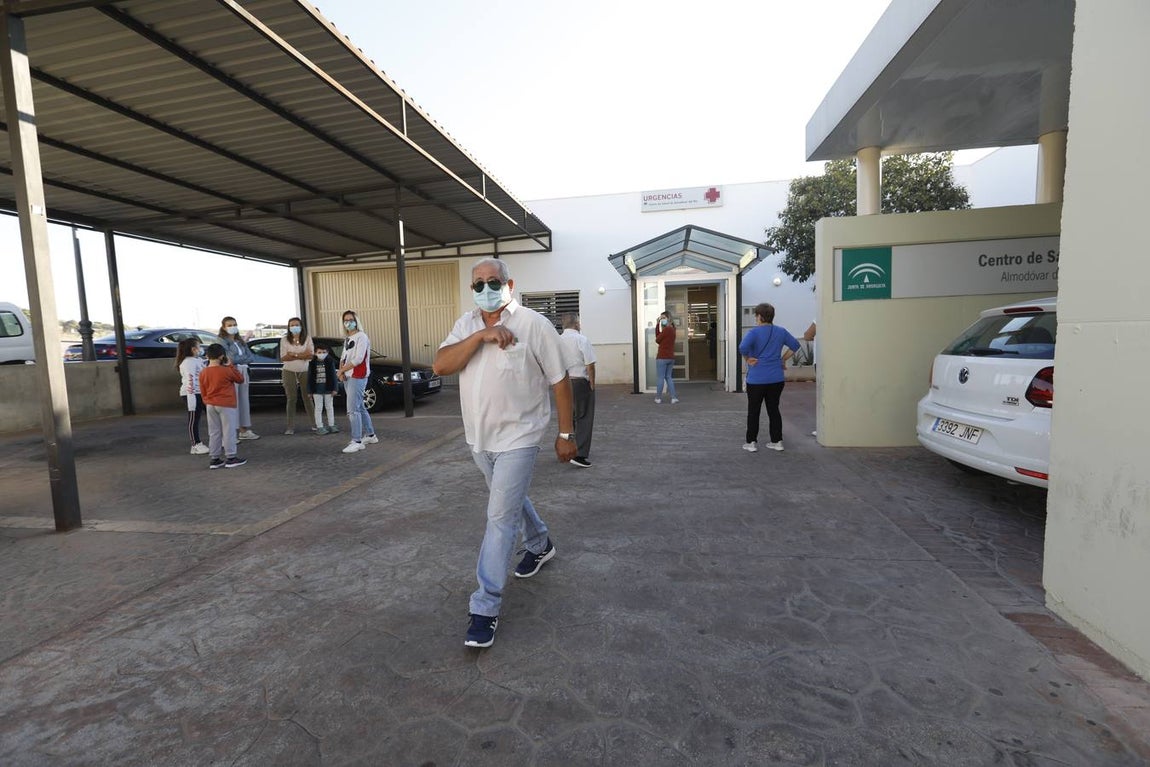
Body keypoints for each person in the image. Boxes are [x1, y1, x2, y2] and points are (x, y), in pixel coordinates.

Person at [433, 257, 575, 649]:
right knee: (508, 502)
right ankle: (540, 543)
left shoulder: (533, 324)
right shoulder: (466, 325)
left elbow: (560, 382)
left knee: (498, 517)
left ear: (510, 284)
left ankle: (485, 606)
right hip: (479, 438)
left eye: (492, 281)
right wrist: (481, 337)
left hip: (520, 437)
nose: (485, 289)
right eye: (477, 284)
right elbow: (442, 364)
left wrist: (565, 433)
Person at [738, 303, 800, 453]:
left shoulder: (753, 333)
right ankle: (777, 441)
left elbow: (742, 348)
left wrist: (748, 359)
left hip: (756, 379)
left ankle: (751, 442)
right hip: (776, 379)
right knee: (773, 409)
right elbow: (795, 345)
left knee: (754, 411)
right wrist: (783, 359)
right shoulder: (781, 331)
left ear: (759, 316)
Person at [199, 343, 248, 469]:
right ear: (222, 356)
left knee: (214, 431)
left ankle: (215, 458)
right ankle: (231, 457)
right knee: (228, 430)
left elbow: (202, 389)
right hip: (226, 404)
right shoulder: (226, 370)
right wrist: (230, 365)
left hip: (210, 403)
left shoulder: (204, 372)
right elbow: (240, 379)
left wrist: (206, 400)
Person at [336, 309, 378, 453]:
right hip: (348, 376)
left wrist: (341, 371)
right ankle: (371, 435)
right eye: (346, 320)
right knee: (359, 407)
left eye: (351, 320)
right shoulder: (347, 338)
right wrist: (341, 371)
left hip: (357, 376)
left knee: (352, 410)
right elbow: (343, 357)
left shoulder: (362, 336)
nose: (348, 322)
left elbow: (358, 359)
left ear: (356, 321)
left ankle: (357, 440)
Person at [558, 312, 596, 468]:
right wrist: (592, 384)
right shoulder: (582, 340)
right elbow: (590, 365)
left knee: (567, 418)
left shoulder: (557, 341)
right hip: (580, 382)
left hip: (562, 383)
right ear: (576, 324)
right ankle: (580, 455)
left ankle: (565, 451)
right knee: (584, 417)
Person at [217, 316, 259, 440]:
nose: (232, 327)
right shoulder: (221, 341)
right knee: (232, 402)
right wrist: (239, 359)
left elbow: (251, 357)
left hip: (243, 371)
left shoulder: (240, 341)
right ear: (224, 327)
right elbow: (229, 359)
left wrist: (238, 359)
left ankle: (243, 429)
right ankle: (231, 433)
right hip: (230, 372)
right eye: (229, 325)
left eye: (234, 324)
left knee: (243, 401)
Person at [280, 317, 315, 435]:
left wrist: (294, 354)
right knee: (291, 398)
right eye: (292, 325)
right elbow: (284, 357)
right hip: (289, 370)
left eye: (296, 325)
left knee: (308, 398)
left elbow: (310, 355)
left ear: (301, 326)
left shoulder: (307, 338)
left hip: (304, 370)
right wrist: (301, 355)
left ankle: (315, 424)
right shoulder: (284, 339)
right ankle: (290, 427)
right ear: (289, 327)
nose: (294, 327)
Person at [175, 337, 208, 455]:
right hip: (192, 393)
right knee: (194, 418)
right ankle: (195, 444)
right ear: (194, 349)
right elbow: (190, 381)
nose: (201, 349)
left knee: (211, 415)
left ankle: (218, 439)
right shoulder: (188, 362)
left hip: (201, 392)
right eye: (199, 347)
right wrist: (192, 400)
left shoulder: (197, 360)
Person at [308, 341, 340, 435]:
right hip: (316, 390)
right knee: (318, 408)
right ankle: (320, 426)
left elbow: (334, 376)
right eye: (319, 352)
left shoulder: (330, 362)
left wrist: (335, 389)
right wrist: (309, 391)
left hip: (328, 389)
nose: (322, 354)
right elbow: (309, 378)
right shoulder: (312, 364)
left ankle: (332, 425)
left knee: (329, 407)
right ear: (315, 353)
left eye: (324, 352)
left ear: (327, 353)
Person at [654, 310, 679, 404]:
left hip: (662, 357)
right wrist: (658, 324)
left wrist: (657, 325)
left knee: (660, 378)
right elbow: (659, 338)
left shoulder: (667, 329)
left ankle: (658, 398)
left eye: (663, 318)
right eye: (661, 318)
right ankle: (673, 398)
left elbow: (657, 339)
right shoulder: (672, 329)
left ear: (669, 318)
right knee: (668, 377)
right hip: (670, 358)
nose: (662, 320)